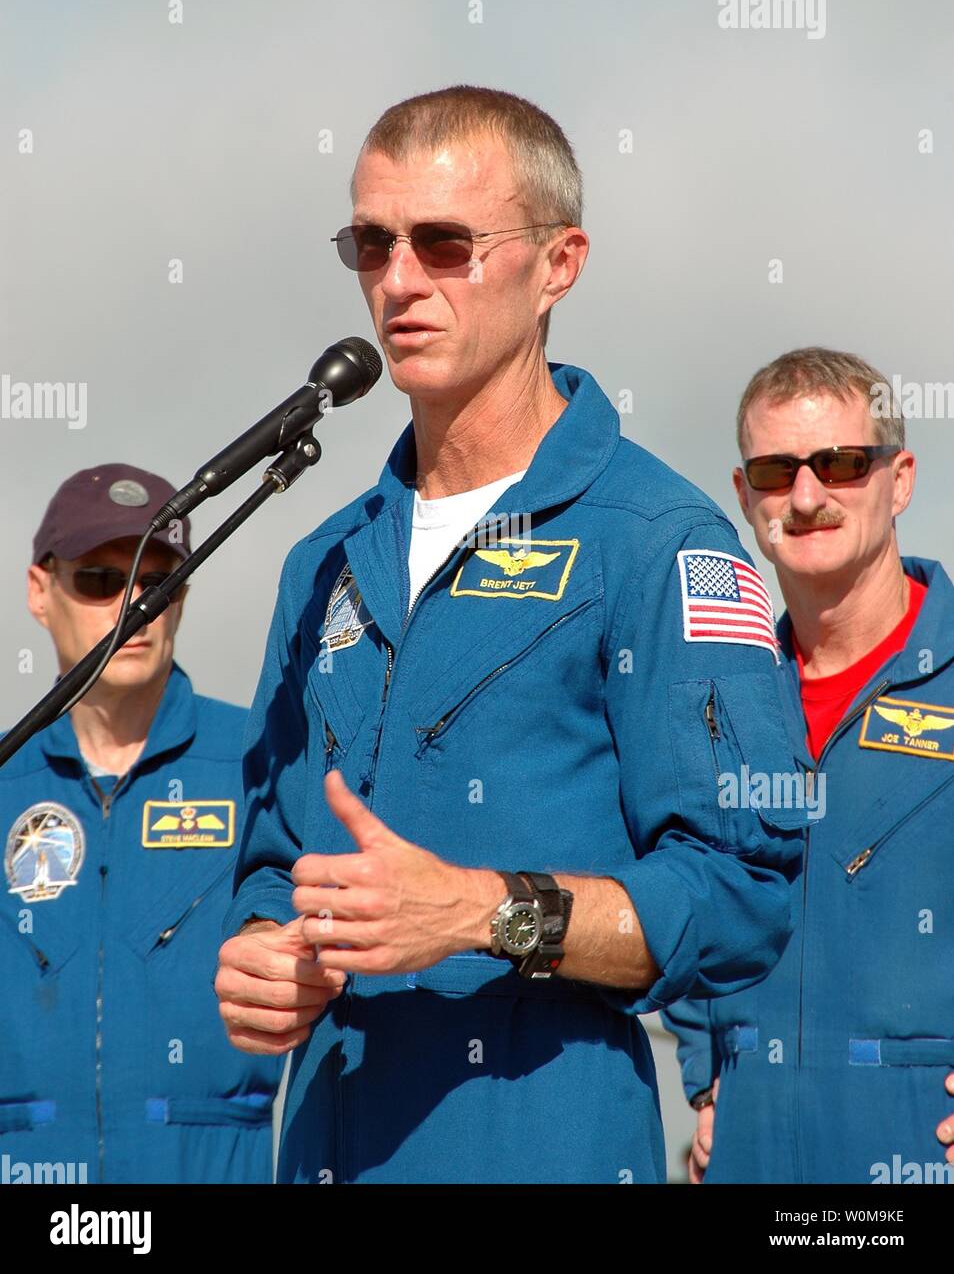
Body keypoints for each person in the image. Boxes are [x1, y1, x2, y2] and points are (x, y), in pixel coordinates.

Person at [215, 85, 807, 1185]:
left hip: (539, 1134)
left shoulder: (664, 542)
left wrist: (488, 911)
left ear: (559, 262)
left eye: (445, 243)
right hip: (324, 1143)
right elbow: (269, 866)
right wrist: (259, 958)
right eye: (371, 243)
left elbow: (741, 899)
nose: (397, 282)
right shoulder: (321, 565)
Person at [665, 347, 954, 1184]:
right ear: (743, 495)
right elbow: (669, 874)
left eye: (840, 463)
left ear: (899, 480)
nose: (806, 495)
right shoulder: (716, 699)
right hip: (752, 1152)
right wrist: (706, 1076)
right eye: (775, 469)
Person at [1, 464, 281, 1183]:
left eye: (156, 585)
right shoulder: (5, 785)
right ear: (40, 591)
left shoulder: (267, 766)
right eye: (99, 581)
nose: (133, 609)